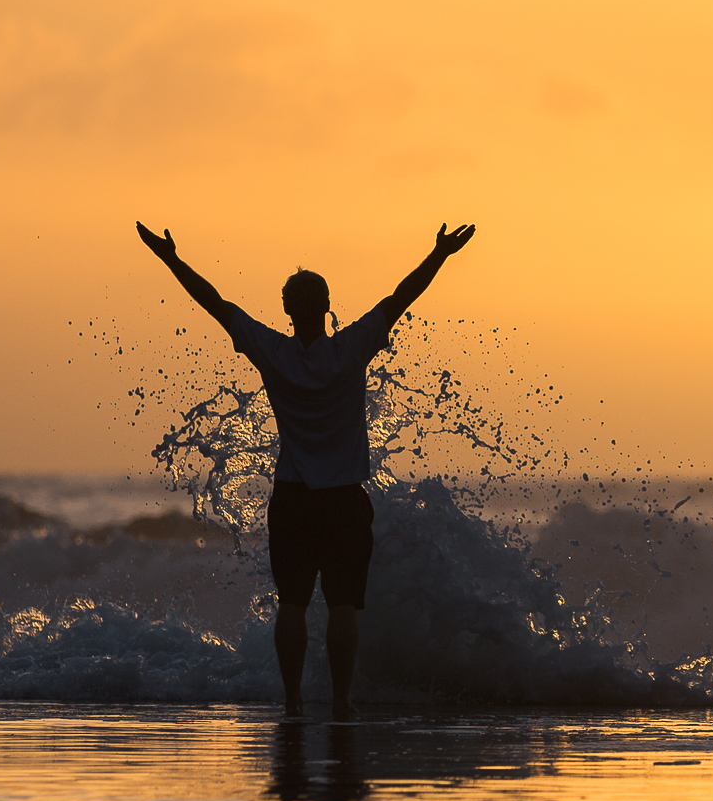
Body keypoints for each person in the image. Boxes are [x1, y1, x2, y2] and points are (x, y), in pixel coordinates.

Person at [137, 220, 477, 719]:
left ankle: (293, 700)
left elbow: (215, 304)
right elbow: (401, 297)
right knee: (343, 606)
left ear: (287, 311)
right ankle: (341, 701)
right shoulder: (350, 348)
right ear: (328, 305)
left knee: (292, 604)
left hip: (293, 497)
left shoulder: (273, 353)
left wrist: (170, 258)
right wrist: (439, 255)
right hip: (343, 499)